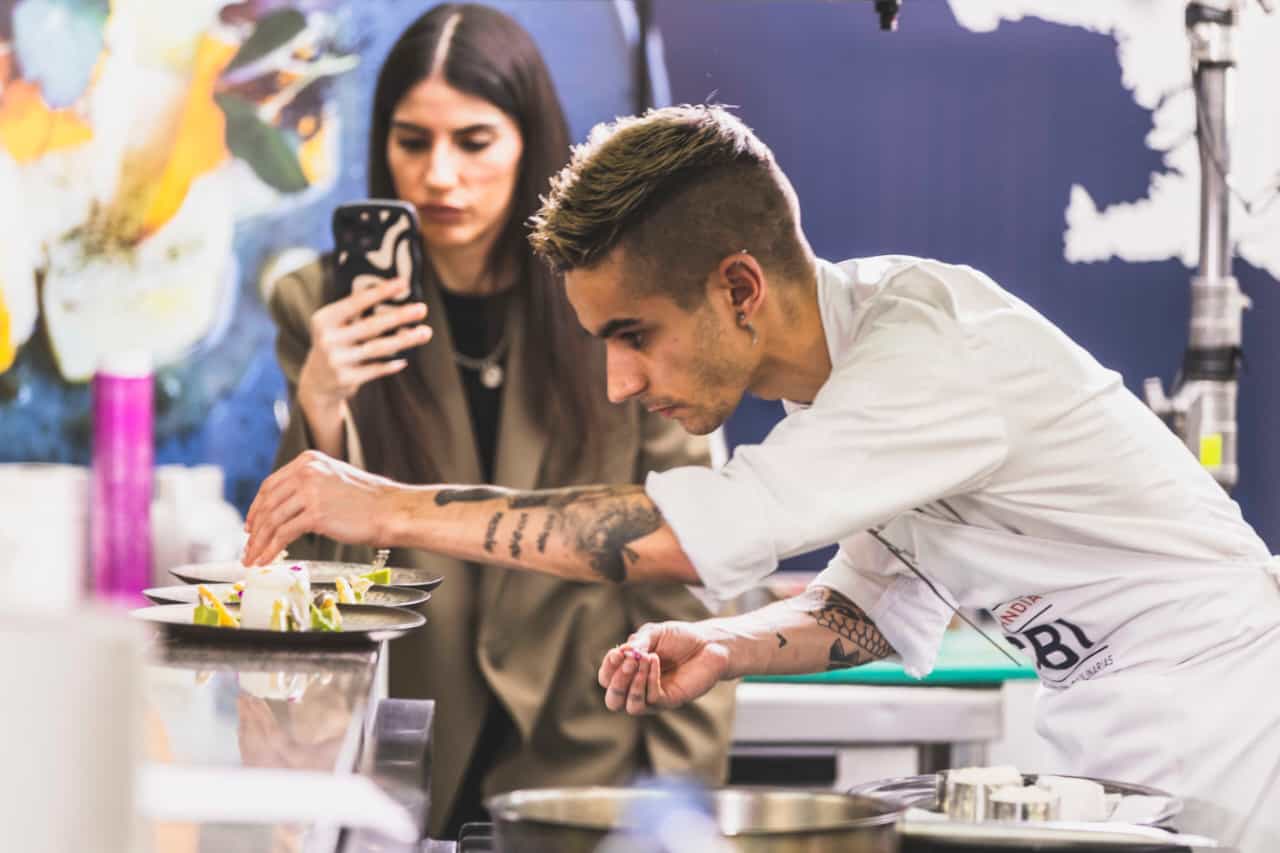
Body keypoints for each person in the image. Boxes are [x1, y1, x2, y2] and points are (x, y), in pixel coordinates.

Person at [247, 103, 1280, 850]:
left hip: (1234, 739)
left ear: (738, 286)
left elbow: (664, 535)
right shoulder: (837, 382)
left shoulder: (922, 352)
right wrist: (722, 642)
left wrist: (383, 504)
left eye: (632, 334)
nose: (615, 381)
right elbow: (874, 608)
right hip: (1117, 747)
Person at [264, 12, 733, 837]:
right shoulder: (318, 305)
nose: (439, 175)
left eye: (474, 141)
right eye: (413, 141)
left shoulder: (618, 301)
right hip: (403, 768)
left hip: (586, 762)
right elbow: (305, 604)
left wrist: (678, 791)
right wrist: (322, 407)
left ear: (529, 142)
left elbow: (691, 556)